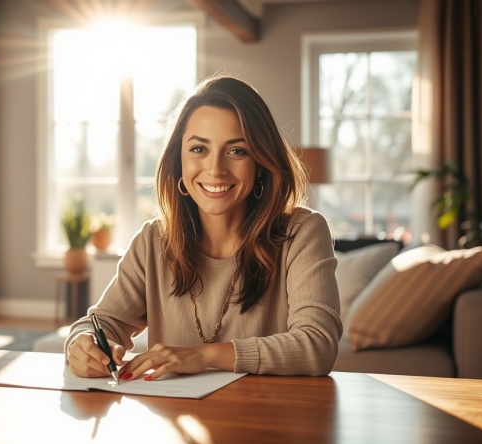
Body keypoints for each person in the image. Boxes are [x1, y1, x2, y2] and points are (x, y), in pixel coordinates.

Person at [65, 74, 342, 381]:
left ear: (260, 163)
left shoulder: (302, 232)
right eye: (199, 149)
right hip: (174, 411)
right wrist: (82, 343)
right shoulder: (152, 241)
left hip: (267, 408)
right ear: (179, 161)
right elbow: (101, 323)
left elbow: (318, 345)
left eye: (237, 151)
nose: (215, 169)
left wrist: (204, 355)